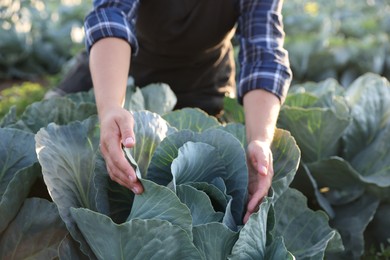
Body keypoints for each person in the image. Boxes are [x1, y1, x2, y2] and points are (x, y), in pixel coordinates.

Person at [83, 0, 292, 224]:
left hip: (205, 83)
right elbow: (111, 14)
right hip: (121, 71)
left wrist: (259, 138)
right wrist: (110, 108)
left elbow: (263, 54)